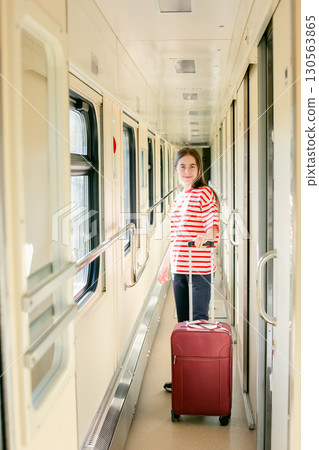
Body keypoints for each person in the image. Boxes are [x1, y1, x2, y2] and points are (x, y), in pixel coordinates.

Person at [157, 147, 220, 392]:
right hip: (180, 270)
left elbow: (213, 227)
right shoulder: (179, 198)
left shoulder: (205, 194)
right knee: (184, 324)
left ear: (199, 169)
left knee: (200, 323)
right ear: (175, 170)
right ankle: (185, 376)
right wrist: (166, 263)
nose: (187, 171)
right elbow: (175, 237)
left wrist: (207, 235)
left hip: (200, 269)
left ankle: (201, 379)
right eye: (182, 166)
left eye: (192, 166)